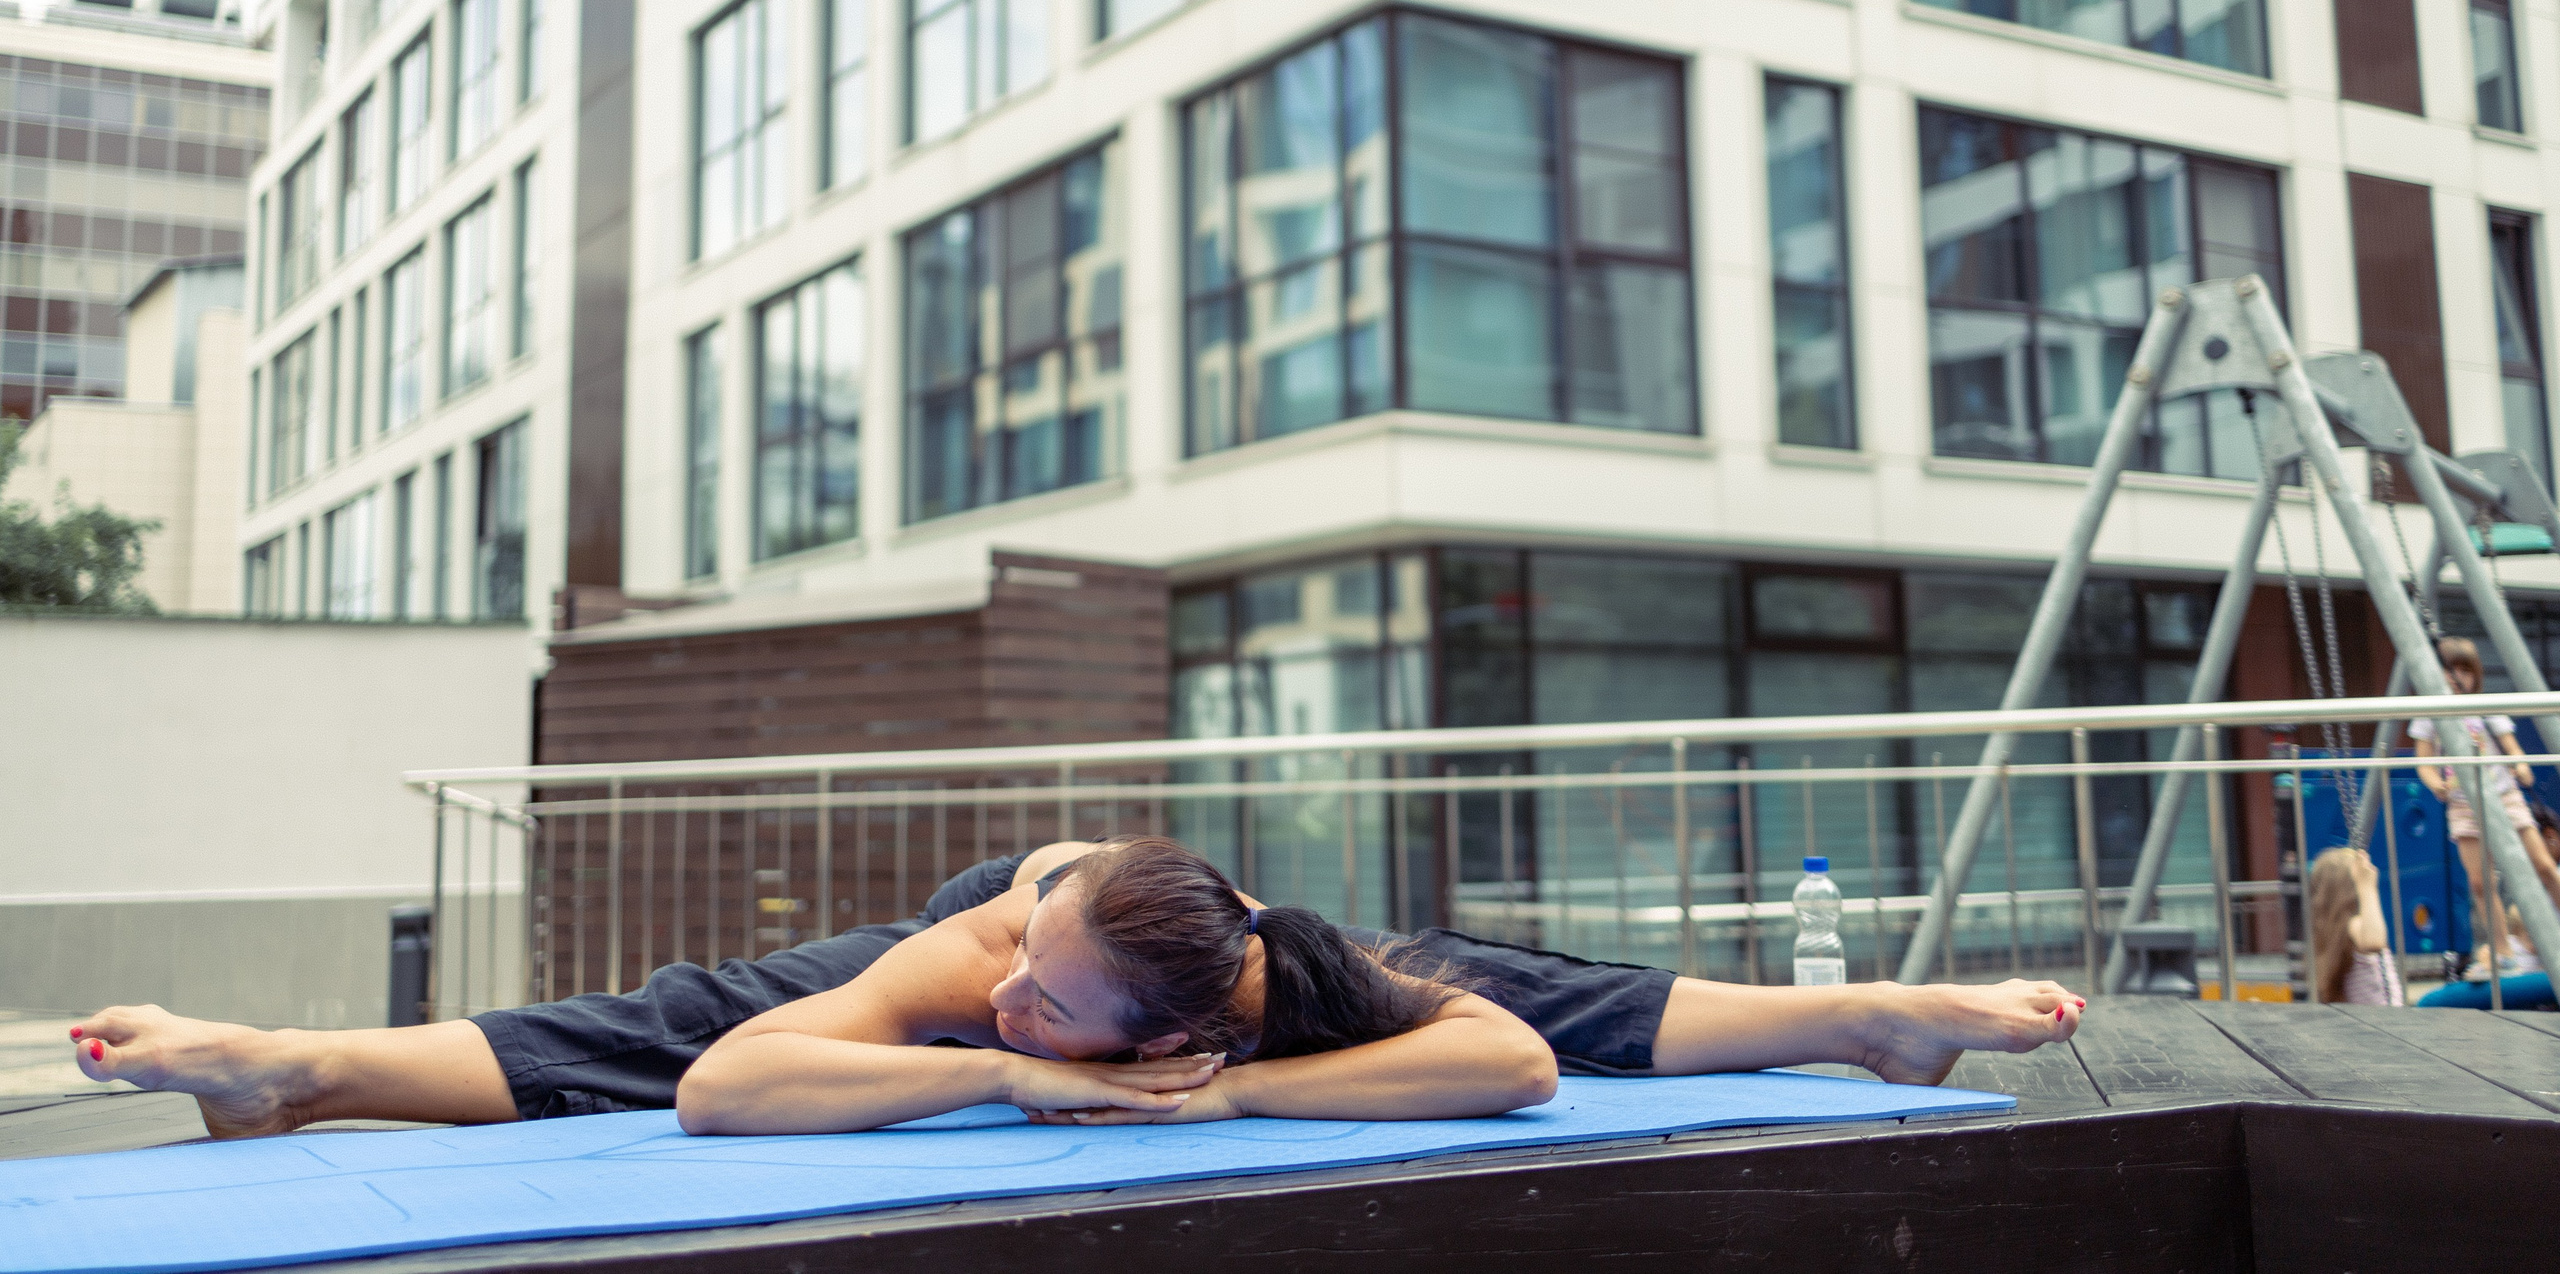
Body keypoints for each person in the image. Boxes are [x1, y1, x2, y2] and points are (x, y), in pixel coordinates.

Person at [66, 836, 2086, 1140]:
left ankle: (1857, 1008)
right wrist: (1004, 1068)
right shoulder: (993, 953)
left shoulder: (1259, 999)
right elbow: (721, 1093)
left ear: (1186, 1031)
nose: (1001, 1001)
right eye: (1014, 989)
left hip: (1205, 966)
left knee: (1500, 976)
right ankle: (292, 1057)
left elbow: (1504, 1058)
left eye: (1049, 1010)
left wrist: (1217, 1104)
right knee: (694, 1008)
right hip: (1093, 910)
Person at [2408, 637, 2560, 975]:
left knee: (2544, 865)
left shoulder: (2487, 705)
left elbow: (2512, 747)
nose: (2458, 678)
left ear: (2476, 674)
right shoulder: (2431, 713)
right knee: (2479, 882)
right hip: (2464, 804)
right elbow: (2424, 762)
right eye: (2452, 670)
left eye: (2466, 670)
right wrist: (2437, 785)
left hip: (2503, 795)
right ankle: (2503, 950)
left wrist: (2520, 766)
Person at [2307, 847, 2402, 1006]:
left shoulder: (2343, 930)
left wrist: (2365, 885)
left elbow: (2373, 942)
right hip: (2381, 1020)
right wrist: (2367, 886)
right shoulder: (2348, 928)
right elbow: (2375, 941)